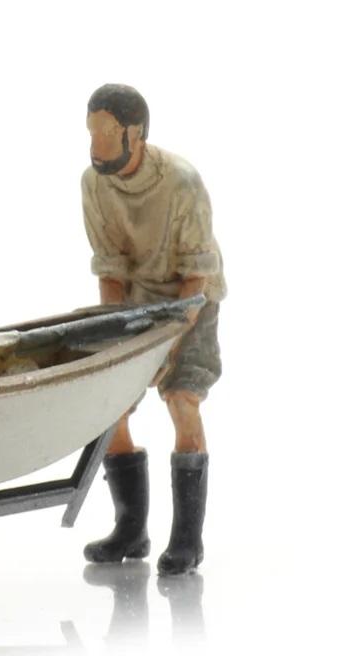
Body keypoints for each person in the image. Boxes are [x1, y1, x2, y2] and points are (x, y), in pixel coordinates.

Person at [80, 83, 226, 575]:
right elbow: (111, 270)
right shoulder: (94, 184)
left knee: (182, 400)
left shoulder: (181, 182)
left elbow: (196, 276)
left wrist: (170, 344)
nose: (97, 142)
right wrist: (117, 337)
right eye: (92, 130)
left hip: (192, 297)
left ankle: (187, 540)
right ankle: (130, 528)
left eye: (108, 131)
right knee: (111, 406)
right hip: (138, 299)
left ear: (136, 133)